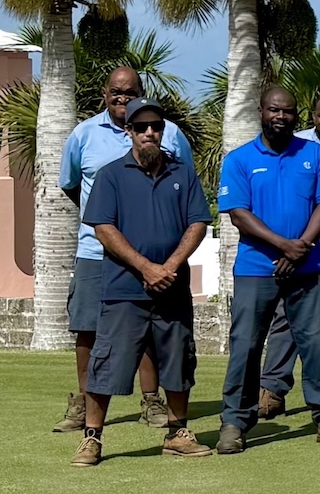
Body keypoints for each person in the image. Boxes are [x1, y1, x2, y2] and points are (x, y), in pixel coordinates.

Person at [69, 96, 214, 466]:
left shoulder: (182, 173)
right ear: (129, 131)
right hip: (123, 289)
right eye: (141, 127)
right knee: (107, 364)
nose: (150, 132)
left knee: (179, 362)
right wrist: (146, 267)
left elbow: (197, 222)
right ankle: (92, 438)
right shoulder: (111, 174)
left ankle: (177, 433)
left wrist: (170, 265)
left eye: (156, 127)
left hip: (173, 289)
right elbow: (104, 229)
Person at [54, 67, 193, 435]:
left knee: (151, 328)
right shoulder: (84, 133)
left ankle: (151, 401)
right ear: (105, 93)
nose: (122, 97)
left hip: (159, 257)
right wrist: (108, 222)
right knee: (87, 327)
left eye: (130, 92)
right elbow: (72, 186)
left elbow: (182, 186)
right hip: (95, 250)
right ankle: (83, 403)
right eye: (116, 91)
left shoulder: (171, 134)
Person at [216, 88, 320, 453]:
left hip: (310, 265)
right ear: (261, 111)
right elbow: (238, 213)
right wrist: (283, 245)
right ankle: (235, 420)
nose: (281, 116)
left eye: (288, 111)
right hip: (256, 267)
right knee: (246, 344)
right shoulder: (240, 159)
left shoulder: (314, 154)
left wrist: (300, 246)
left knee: (316, 342)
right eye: (274, 109)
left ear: (296, 115)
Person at [256, 92, 320, 421]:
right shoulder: (299, 145)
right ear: (311, 115)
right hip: (293, 250)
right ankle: (273, 388)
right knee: (285, 319)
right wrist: (293, 246)